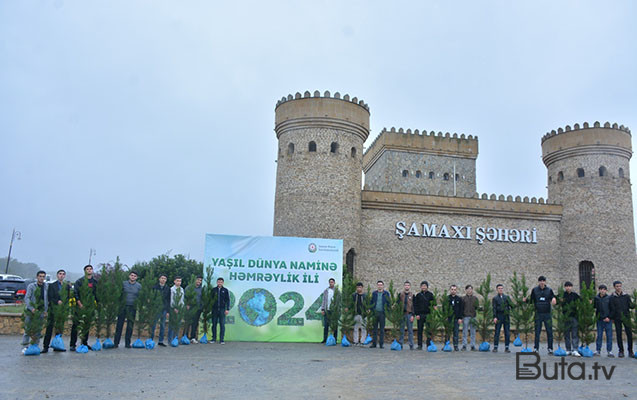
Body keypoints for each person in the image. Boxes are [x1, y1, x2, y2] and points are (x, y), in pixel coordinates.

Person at [70, 265, 98, 351]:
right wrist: (79, 302)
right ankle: (72, 344)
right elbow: (75, 292)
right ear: (85, 271)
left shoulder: (95, 282)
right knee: (76, 325)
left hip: (89, 307)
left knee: (86, 326)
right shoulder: (80, 281)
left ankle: (84, 343)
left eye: (90, 269)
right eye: (87, 269)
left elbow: (96, 294)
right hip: (80, 306)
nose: (89, 270)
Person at [527, 275, 556, 354]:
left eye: (543, 281)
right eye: (540, 281)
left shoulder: (549, 290)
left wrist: (553, 299)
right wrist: (525, 300)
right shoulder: (535, 290)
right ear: (538, 282)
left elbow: (553, 297)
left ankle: (550, 348)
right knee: (537, 331)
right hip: (538, 313)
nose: (542, 282)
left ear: (545, 282)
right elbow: (531, 300)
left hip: (547, 313)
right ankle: (536, 348)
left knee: (549, 331)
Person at [42, 269, 69, 353]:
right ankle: (45, 346)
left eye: (63, 274)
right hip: (53, 309)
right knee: (50, 328)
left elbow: (67, 297)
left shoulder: (66, 286)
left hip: (62, 310)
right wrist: (57, 301)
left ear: (64, 276)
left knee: (59, 327)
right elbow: (49, 297)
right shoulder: (52, 285)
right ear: (57, 275)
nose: (61, 275)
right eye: (60, 274)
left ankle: (57, 345)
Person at [21, 271, 48, 350]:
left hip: (41, 311)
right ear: (37, 277)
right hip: (31, 311)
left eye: (43, 276)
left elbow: (46, 299)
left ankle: (35, 346)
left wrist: (46, 310)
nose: (42, 278)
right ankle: (25, 347)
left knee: (38, 330)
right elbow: (27, 298)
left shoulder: (46, 286)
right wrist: (31, 308)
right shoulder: (31, 286)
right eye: (40, 276)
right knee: (27, 330)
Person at [114, 271, 141, 348]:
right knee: (119, 325)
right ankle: (116, 343)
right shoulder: (123, 284)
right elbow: (119, 294)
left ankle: (127, 343)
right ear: (129, 276)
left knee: (130, 326)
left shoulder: (139, 286)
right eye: (132, 275)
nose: (133, 277)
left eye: (135, 276)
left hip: (132, 307)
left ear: (137, 277)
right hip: (123, 306)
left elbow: (140, 297)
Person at [609, 280, 635, 358]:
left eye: (620, 286)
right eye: (617, 286)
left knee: (629, 334)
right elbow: (611, 308)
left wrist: (634, 303)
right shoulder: (612, 297)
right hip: (617, 318)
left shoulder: (626, 296)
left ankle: (630, 351)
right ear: (614, 287)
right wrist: (612, 318)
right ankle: (621, 351)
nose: (618, 288)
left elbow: (631, 306)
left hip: (626, 317)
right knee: (619, 334)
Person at [150, 274, 171, 347]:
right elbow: (152, 298)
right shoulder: (155, 287)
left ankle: (161, 341)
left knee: (163, 325)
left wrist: (168, 311)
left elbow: (168, 300)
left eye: (165, 278)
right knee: (153, 325)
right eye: (162, 278)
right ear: (159, 279)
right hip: (156, 309)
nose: (163, 280)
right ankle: (151, 339)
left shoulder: (168, 288)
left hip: (164, 309)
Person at [414, 280, 435, 350]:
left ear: (427, 287)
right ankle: (419, 345)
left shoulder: (430, 295)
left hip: (428, 315)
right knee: (419, 330)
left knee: (428, 330)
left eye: (425, 286)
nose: (424, 287)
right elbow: (415, 305)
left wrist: (432, 314)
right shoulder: (418, 295)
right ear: (420, 287)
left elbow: (433, 305)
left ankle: (428, 344)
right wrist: (417, 314)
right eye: (422, 286)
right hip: (420, 315)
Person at [561, 281, 581, 356]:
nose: (568, 287)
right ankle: (568, 349)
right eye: (567, 286)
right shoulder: (562, 295)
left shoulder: (575, 295)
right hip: (565, 317)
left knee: (575, 333)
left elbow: (581, 301)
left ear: (571, 287)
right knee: (566, 334)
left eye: (570, 286)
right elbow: (555, 300)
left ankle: (575, 349)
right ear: (565, 287)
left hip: (574, 316)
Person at [593, 284, 613, 357]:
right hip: (599, 320)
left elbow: (612, 309)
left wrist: (609, 317)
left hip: (608, 320)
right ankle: (598, 350)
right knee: (599, 335)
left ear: (606, 290)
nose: (602, 291)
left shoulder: (609, 298)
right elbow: (594, 307)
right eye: (601, 289)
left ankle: (609, 351)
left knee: (609, 336)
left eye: (604, 289)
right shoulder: (596, 298)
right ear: (599, 290)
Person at [369, 280, 390, 349]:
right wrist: (370, 310)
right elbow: (371, 302)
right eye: (378, 285)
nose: (380, 286)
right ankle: (374, 343)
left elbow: (388, 303)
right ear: (377, 286)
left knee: (382, 330)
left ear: (383, 286)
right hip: (375, 313)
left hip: (382, 313)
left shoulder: (386, 293)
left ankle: (381, 344)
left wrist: (387, 311)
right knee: (374, 329)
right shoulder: (374, 293)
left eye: (381, 285)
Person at [492, 283, 512, 353]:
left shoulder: (506, 297)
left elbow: (511, 305)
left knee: (507, 331)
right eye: (499, 288)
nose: (501, 290)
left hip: (506, 316)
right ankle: (495, 347)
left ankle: (507, 347)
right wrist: (494, 317)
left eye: (502, 288)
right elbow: (494, 308)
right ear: (497, 290)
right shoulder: (495, 298)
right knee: (497, 332)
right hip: (499, 316)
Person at [211, 277, 230, 344]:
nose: (220, 283)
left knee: (222, 325)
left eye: (221, 282)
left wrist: (227, 309)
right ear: (217, 282)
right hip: (214, 310)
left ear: (223, 283)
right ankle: (213, 338)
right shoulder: (213, 290)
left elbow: (228, 300)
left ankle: (221, 339)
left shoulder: (225, 290)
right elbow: (211, 300)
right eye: (218, 282)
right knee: (214, 324)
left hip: (222, 310)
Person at [398, 281, 415, 350]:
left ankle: (411, 344)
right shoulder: (400, 294)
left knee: (410, 331)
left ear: (410, 286)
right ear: (404, 286)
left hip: (409, 314)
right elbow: (397, 304)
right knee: (401, 330)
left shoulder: (412, 295)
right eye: (406, 285)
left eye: (408, 285)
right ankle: (400, 344)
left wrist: (413, 315)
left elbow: (414, 306)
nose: (407, 286)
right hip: (402, 314)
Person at [461, 284, 479, 351]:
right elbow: (461, 308)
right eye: (468, 289)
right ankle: (464, 345)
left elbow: (477, 307)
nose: (469, 291)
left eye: (471, 289)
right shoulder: (463, 299)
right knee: (464, 332)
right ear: (466, 290)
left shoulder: (475, 298)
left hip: (473, 317)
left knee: (473, 332)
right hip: (465, 317)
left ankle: (473, 345)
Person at [320, 278, 338, 343]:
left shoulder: (337, 291)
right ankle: (325, 339)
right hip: (327, 310)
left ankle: (335, 339)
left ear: (334, 283)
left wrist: (338, 309)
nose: (331, 283)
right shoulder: (326, 291)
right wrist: (322, 309)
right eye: (330, 282)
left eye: (332, 282)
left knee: (335, 325)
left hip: (334, 310)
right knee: (326, 325)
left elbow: (338, 300)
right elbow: (324, 300)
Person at [168, 276, 185, 342]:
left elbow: (182, 300)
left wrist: (181, 308)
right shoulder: (172, 289)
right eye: (177, 281)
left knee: (178, 325)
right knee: (172, 325)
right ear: (174, 281)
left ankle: (176, 338)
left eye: (180, 281)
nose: (179, 282)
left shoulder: (181, 289)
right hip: (173, 309)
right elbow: (171, 300)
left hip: (180, 309)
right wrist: (174, 308)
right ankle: (170, 339)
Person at [447, 285, 463, 351]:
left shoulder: (459, 299)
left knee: (456, 332)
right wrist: (446, 316)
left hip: (456, 318)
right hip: (449, 318)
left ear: (456, 291)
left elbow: (461, 309)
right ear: (450, 290)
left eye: (454, 290)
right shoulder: (447, 298)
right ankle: (446, 345)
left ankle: (455, 345)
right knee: (448, 332)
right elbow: (444, 308)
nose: (453, 291)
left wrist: (460, 318)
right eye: (452, 289)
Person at [188, 276, 204, 343]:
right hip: (190, 308)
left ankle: (193, 337)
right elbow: (186, 297)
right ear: (195, 280)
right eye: (198, 280)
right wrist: (187, 304)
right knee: (188, 323)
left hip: (198, 308)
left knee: (195, 323)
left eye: (200, 280)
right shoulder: (189, 287)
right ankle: (185, 336)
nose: (199, 281)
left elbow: (203, 299)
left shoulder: (202, 289)